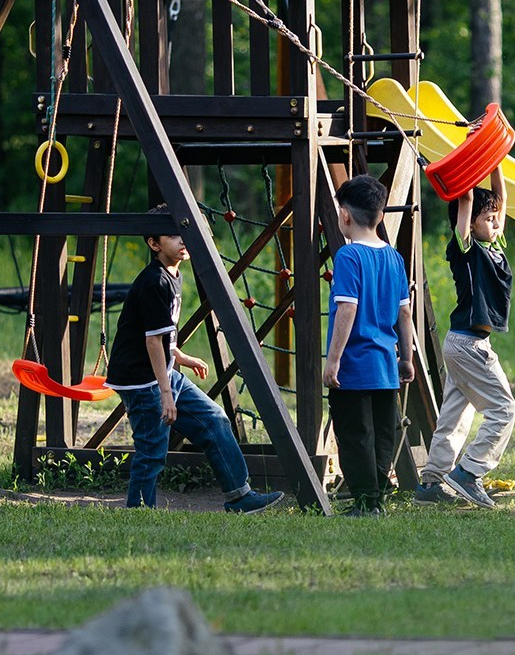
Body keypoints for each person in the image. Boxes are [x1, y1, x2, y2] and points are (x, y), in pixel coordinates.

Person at [107, 215, 284, 513]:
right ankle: (137, 512)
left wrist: (181, 357)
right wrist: (165, 393)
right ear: (154, 244)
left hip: (162, 371)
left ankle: (240, 497)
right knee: (152, 450)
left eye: (184, 234)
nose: (183, 241)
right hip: (142, 380)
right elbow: (151, 342)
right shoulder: (154, 281)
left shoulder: (173, 274)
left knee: (214, 419)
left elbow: (161, 334)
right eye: (174, 236)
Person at [414, 164, 515, 509]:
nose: (496, 221)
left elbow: (500, 198)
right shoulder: (467, 249)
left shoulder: (495, 245)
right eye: (488, 218)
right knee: (503, 410)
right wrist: (470, 165)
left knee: (456, 414)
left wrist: (494, 160)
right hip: (469, 346)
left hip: (463, 344)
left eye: (496, 217)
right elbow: (468, 197)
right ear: (470, 222)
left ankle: (431, 482)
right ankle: (468, 473)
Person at [322, 173, 416, 516]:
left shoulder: (349, 257)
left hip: (354, 366)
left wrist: (333, 361)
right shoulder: (394, 258)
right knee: (381, 436)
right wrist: (406, 358)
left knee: (354, 435)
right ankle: (376, 500)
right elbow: (404, 315)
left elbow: (348, 308)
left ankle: (365, 501)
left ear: (345, 215)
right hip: (386, 366)